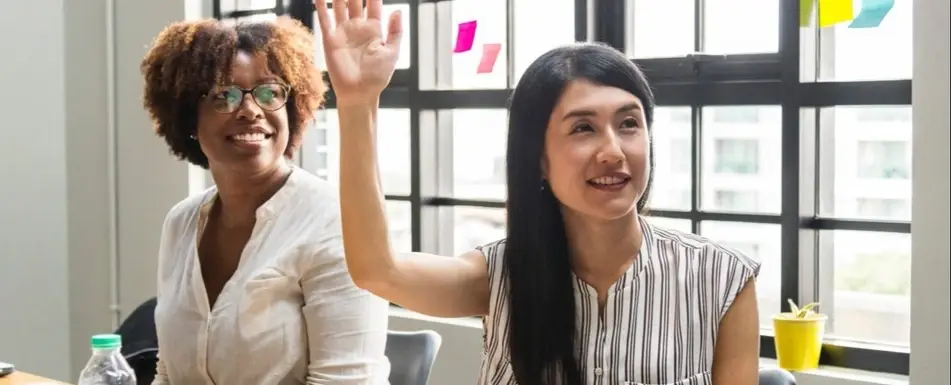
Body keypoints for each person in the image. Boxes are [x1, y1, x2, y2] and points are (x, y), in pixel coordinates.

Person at [316, 0, 761, 384]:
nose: (613, 150)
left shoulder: (721, 280)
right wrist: (358, 104)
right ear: (539, 160)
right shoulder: (499, 276)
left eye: (629, 124)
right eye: (583, 128)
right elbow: (377, 270)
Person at [141, 16, 390, 385]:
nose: (251, 110)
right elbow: (168, 372)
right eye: (224, 95)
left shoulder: (335, 221)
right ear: (189, 119)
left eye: (269, 93)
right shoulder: (181, 222)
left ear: (292, 109)